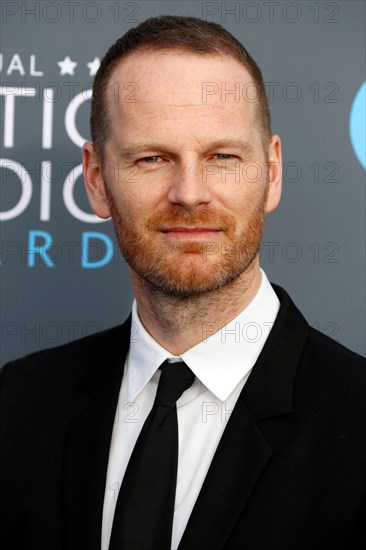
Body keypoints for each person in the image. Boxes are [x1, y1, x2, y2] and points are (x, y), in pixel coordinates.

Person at [0, 15, 365, 550]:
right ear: (97, 179)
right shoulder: (18, 404)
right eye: (152, 158)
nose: (190, 193)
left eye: (222, 157)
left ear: (272, 172)